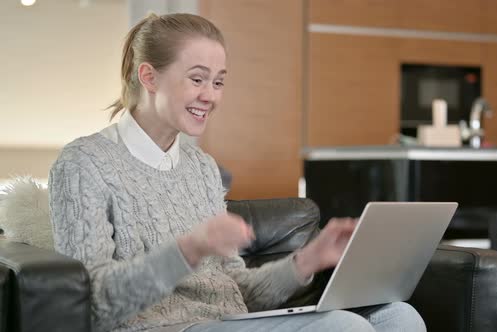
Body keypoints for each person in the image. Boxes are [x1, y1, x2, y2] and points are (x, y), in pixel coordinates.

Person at [48, 13, 426, 332]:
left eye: (218, 82)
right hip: (160, 328)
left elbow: (237, 289)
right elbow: (93, 305)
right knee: (345, 327)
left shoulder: (201, 167)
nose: (210, 96)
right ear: (149, 77)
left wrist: (308, 260)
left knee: (399, 318)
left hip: (226, 322)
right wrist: (189, 248)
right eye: (197, 79)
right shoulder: (84, 163)